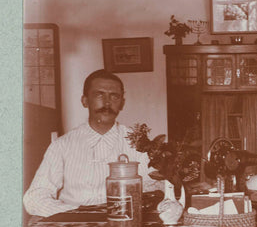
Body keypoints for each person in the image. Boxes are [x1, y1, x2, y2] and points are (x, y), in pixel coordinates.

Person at [23, 69, 161, 217]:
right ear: (85, 100)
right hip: (75, 225)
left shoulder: (139, 144)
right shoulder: (62, 145)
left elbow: (155, 187)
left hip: (125, 222)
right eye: (99, 94)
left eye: (114, 96)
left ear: (122, 103)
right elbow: (34, 197)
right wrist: (78, 213)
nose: (107, 102)